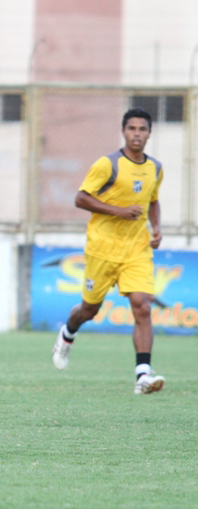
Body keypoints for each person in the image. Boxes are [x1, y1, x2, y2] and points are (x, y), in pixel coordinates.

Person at [52, 107, 165, 395]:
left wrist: (156, 227)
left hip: (136, 249)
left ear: (149, 133)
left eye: (142, 129)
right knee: (89, 310)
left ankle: (143, 375)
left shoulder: (155, 168)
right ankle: (67, 333)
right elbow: (80, 198)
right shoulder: (108, 164)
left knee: (142, 306)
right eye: (132, 128)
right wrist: (119, 210)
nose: (137, 134)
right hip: (102, 249)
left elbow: (153, 200)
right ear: (124, 131)